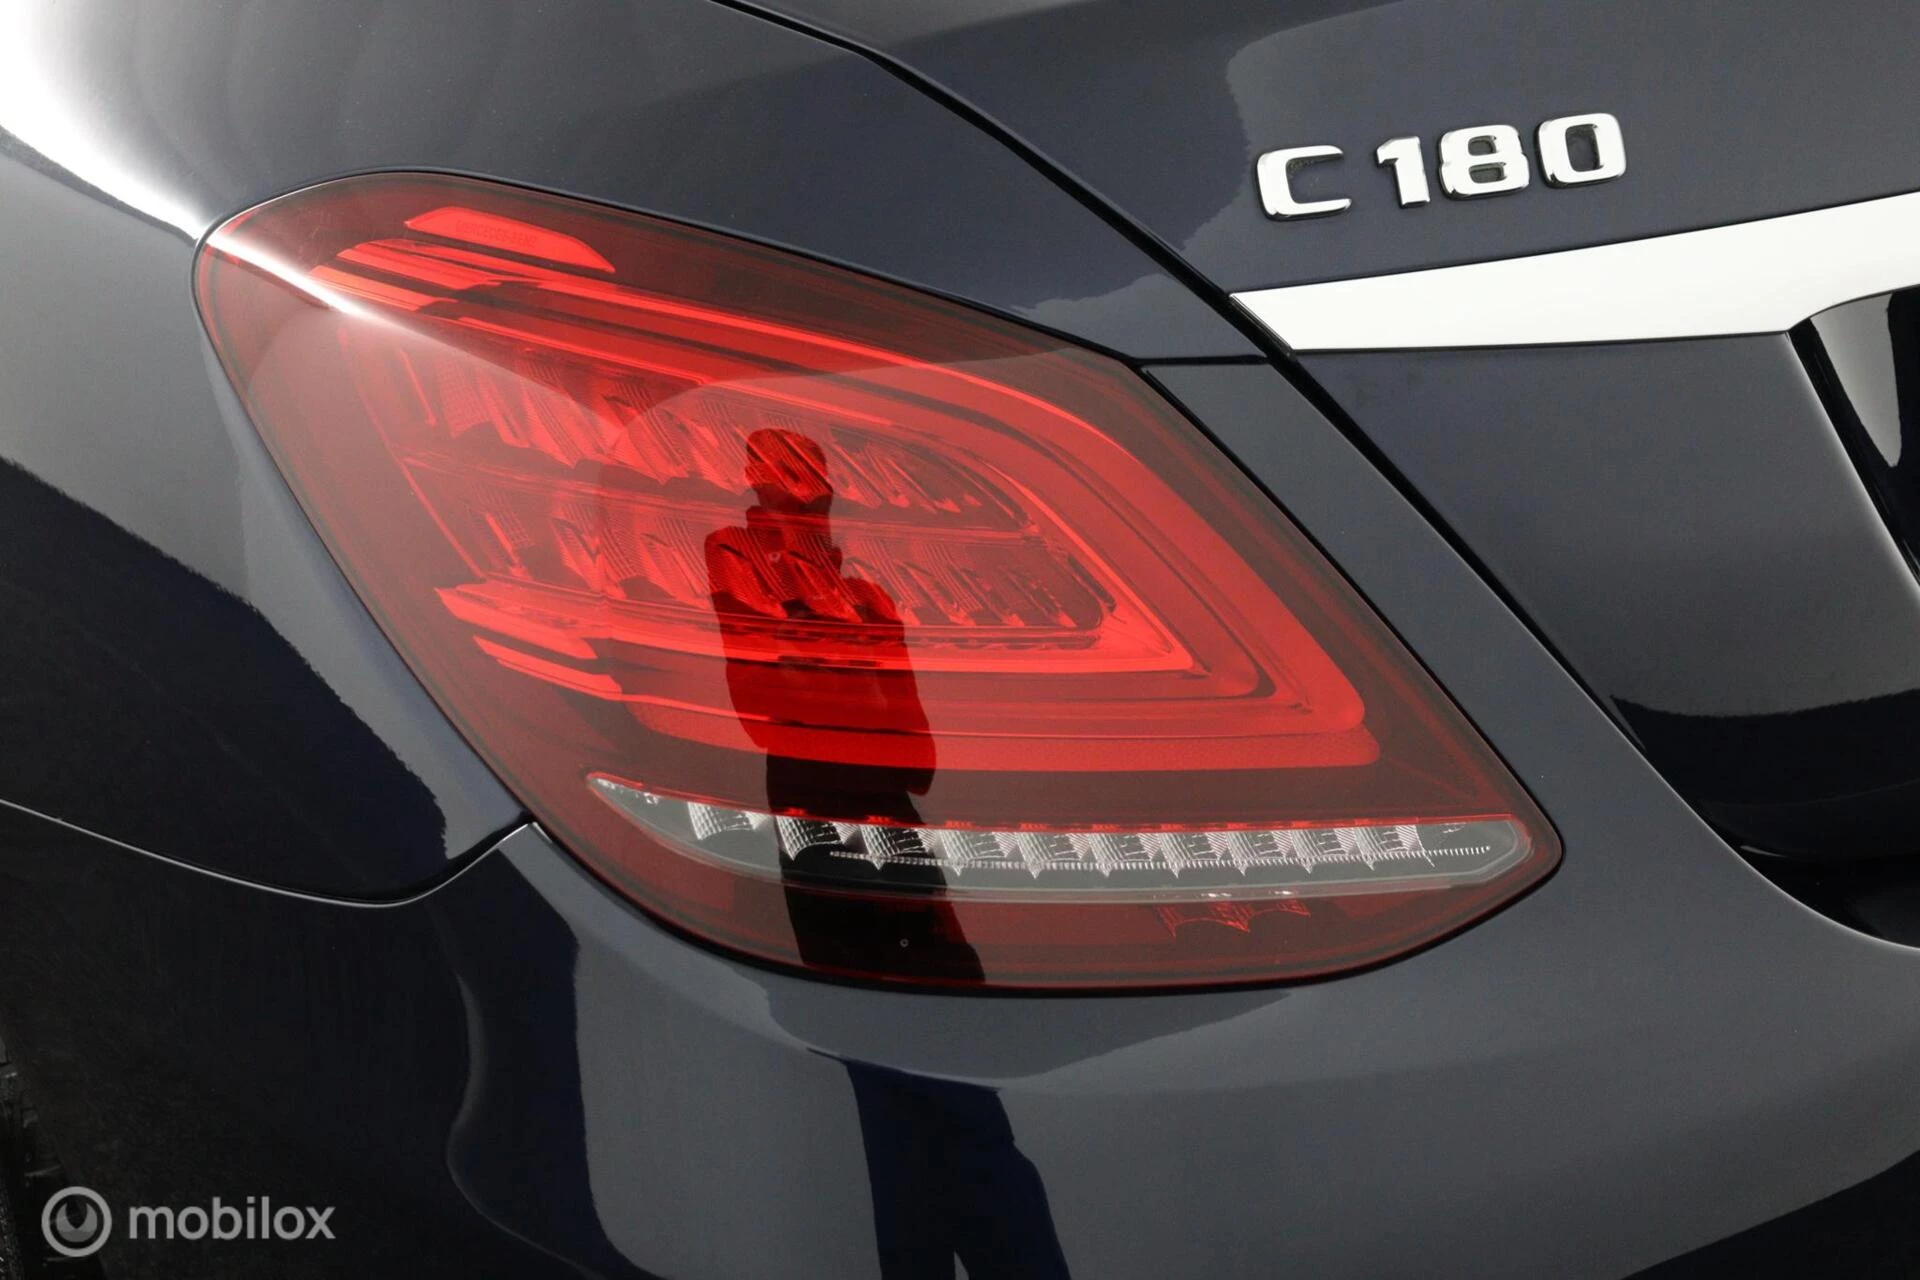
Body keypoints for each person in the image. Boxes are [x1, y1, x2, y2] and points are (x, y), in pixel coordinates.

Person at [707, 427, 1071, 1279]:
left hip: (894, 855)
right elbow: (768, 712)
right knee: (898, 1107)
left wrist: (838, 652)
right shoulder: (733, 554)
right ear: (751, 481)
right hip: (817, 849)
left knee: (939, 1107)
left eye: (813, 471)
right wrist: (845, 664)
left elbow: (916, 754)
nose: (804, 486)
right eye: (780, 469)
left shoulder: (868, 594)